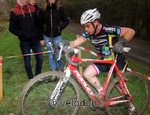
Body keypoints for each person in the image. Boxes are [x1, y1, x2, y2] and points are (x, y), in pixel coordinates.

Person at [60, 8, 135, 95]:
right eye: (84, 26)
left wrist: (121, 43)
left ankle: (131, 106)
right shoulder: (89, 33)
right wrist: (64, 43)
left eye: (88, 26)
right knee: (87, 74)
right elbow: (75, 42)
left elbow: (131, 31)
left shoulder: (108, 29)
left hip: (117, 60)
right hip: (105, 60)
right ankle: (102, 94)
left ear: (95, 22)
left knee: (119, 86)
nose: (86, 29)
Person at [9, 0, 43, 80]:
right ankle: (31, 78)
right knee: (27, 61)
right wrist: (22, 34)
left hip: (35, 40)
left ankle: (38, 76)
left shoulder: (33, 8)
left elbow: (39, 24)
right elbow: (12, 28)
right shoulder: (14, 11)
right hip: (24, 42)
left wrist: (40, 37)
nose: (26, 0)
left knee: (40, 59)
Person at [39, 0, 69, 72]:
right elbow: (40, 25)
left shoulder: (60, 9)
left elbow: (66, 21)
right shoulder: (43, 10)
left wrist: (59, 27)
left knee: (58, 53)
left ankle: (60, 69)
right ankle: (53, 70)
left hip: (57, 36)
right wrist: (41, 38)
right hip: (47, 36)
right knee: (50, 54)